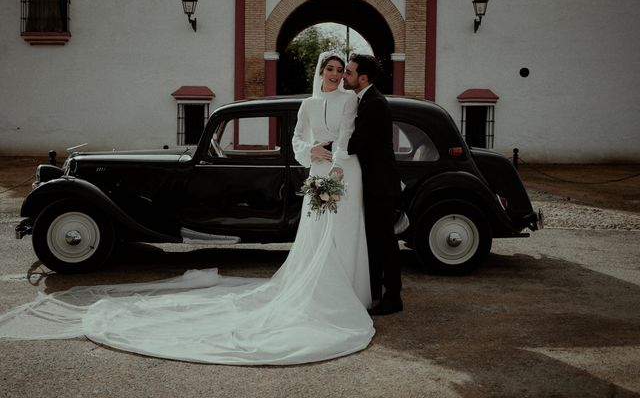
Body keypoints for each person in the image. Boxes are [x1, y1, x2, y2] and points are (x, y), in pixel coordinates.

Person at [0, 52, 374, 365]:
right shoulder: (309, 105)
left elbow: (348, 135)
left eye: (341, 70)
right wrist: (311, 151)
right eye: (331, 69)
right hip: (315, 163)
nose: (336, 74)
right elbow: (297, 138)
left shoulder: (349, 102)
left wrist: (333, 158)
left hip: (334, 170)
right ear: (321, 72)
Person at [343, 53, 403, 316]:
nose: (345, 75)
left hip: (380, 184)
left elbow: (358, 142)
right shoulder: (364, 100)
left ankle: (393, 297)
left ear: (362, 78)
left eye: (349, 72)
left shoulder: (374, 103)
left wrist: (328, 144)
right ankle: (375, 291)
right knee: (374, 240)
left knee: (384, 240)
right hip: (372, 182)